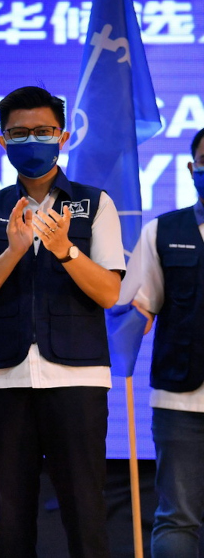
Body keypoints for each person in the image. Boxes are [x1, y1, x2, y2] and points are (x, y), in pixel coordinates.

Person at [0, 86, 125, 558]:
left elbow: (110, 292)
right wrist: (11, 251)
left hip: (77, 378)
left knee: (85, 513)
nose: (32, 140)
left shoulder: (94, 204)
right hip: (3, 380)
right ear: (2, 141)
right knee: (9, 521)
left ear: (63, 137)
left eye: (43, 131)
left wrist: (65, 250)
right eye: (20, 133)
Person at [120, 127, 204, 556]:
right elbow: (138, 309)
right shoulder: (162, 231)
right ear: (192, 169)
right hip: (181, 403)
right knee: (177, 520)